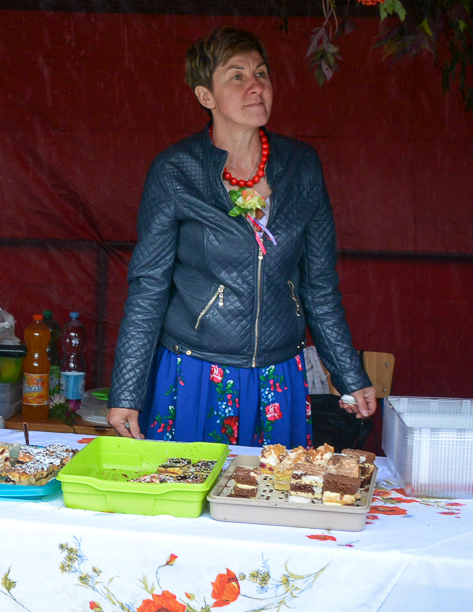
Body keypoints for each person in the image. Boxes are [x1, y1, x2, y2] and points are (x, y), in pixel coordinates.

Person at [106, 28, 374, 445]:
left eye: (261, 73)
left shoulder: (301, 166)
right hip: (195, 371)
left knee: (272, 483)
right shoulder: (176, 171)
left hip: (278, 374)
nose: (256, 86)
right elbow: (148, 288)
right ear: (205, 96)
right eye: (237, 76)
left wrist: (349, 375)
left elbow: (319, 286)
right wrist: (127, 393)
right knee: (188, 483)